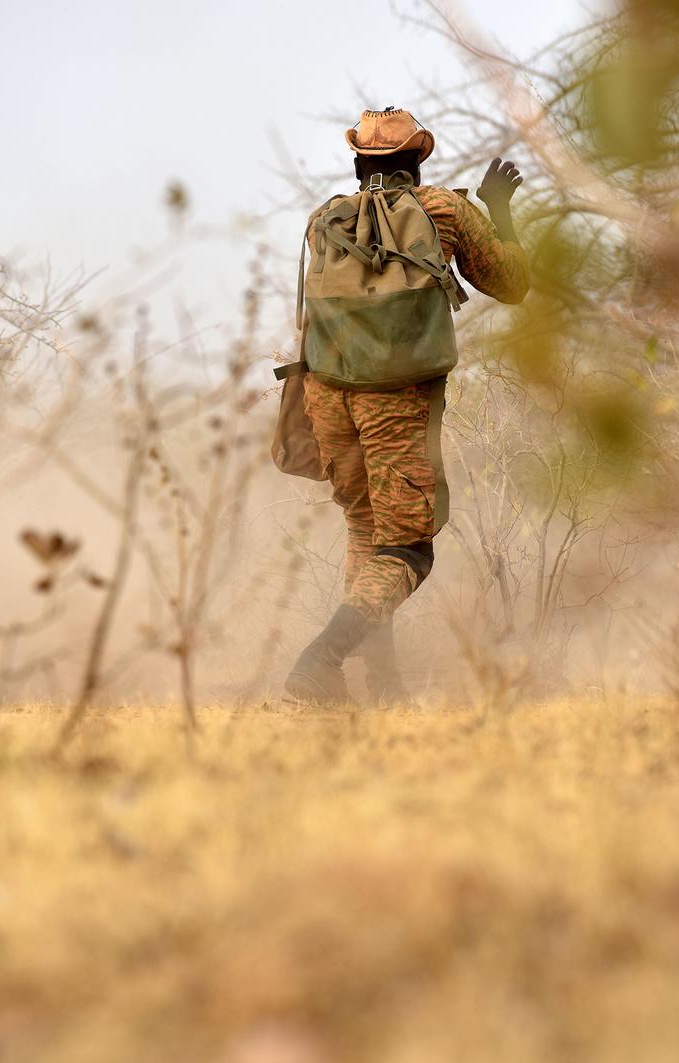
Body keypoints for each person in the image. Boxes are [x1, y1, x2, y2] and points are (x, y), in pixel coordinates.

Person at [283, 107, 528, 704]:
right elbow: (514, 283)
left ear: (359, 161)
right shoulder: (443, 210)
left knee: (368, 531)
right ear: (417, 159)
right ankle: (319, 660)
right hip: (394, 401)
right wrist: (500, 208)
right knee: (409, 547)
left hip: (327, 397)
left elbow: (307, 318)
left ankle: (385, 690)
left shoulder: (323, 220)